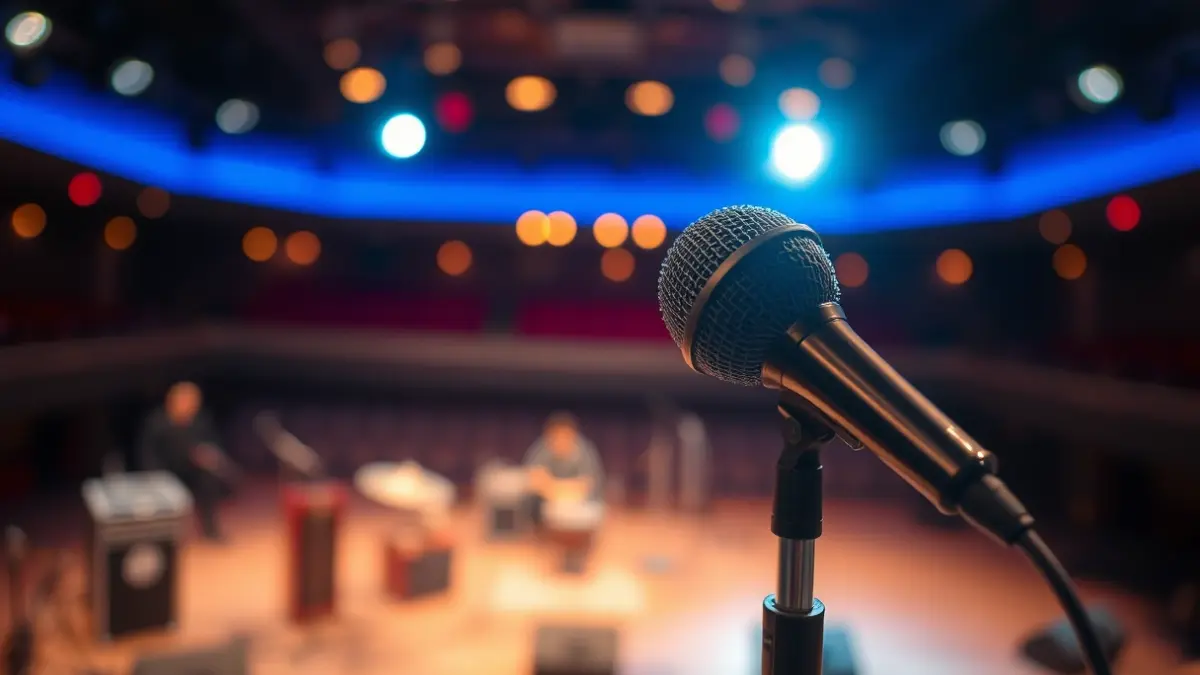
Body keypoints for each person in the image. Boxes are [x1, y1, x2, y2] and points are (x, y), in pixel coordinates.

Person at [138, 382, 231, 541]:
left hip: (191, 469)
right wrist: (155, 475)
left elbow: (213, 444)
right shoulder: (157, 422)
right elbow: (147, 453)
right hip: (164, 473)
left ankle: (210, 529)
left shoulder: (201, 421)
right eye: (184, 400)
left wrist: (208, 456)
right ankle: (164, 536)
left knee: (209, 480)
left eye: (193, 402)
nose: (189, 406)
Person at [523, 412, 605, 526]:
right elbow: (533, 480)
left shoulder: (585, 452)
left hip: (580, 512)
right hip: (544, 514)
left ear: (573, 435)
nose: (560, 440)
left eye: (565, 436)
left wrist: (553, 488)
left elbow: (587, 486)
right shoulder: (540, 450)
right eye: (556, 436)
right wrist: (564, 490)